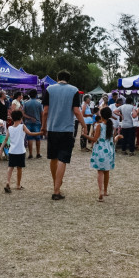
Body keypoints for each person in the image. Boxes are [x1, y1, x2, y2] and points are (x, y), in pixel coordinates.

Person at [41, 70, 86, 201]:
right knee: (63, 159)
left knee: (53, 158)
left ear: (57, 78)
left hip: (52, 128)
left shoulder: (49, 89)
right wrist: (84, 125)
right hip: (66, 129)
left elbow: (45, 111)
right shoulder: (74, 90)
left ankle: (56, 184)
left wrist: (44, 127)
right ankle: (56, 190)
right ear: (68, 79)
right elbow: (77, 111)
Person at [0, 110, 43, 193]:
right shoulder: (22, 126)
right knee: (19, 168)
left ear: (12, 118)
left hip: (12, 151)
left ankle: (8, 182)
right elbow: (30, 133)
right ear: (21, 118)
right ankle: (18, 185)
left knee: (10, 167)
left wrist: (0, 148)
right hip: (20, 151)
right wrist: (40, 133)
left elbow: (6, 139)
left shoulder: (10, 128)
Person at [85, 106, 119, 202]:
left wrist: (85, 136)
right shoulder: (111, 126)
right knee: (106, 171)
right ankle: (105, 190)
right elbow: (113, 139)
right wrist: (118, 137)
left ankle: (100, 191)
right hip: (109, 150)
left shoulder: (99, 126)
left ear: (101, 115)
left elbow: (94, 139)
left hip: (100, 150)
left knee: (100, 172)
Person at [22, 89, 43, 159]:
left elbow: (23, 113)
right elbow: (42, 114)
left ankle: (30, 154)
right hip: (37, 122)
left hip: (28, 122)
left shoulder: (26, 103)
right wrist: (42, 123)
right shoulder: (39, 103)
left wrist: (30, 117)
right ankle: (38, 153)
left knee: (29, 138)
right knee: (38, 138)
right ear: (36, 95)